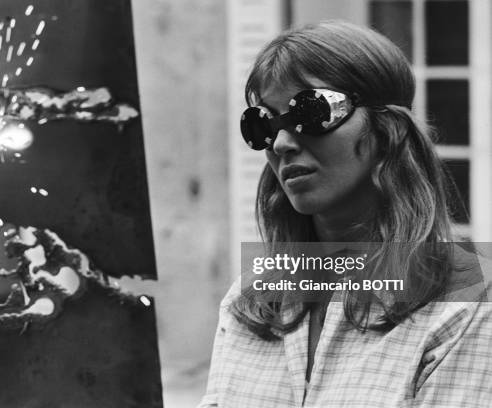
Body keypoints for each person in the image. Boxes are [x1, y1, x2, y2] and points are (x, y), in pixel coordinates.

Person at [198, 21, 492, 407]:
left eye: (311, 111)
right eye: (262, 126)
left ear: (388, 128)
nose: (283, 142)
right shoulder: (253, 300)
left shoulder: (467, 301)